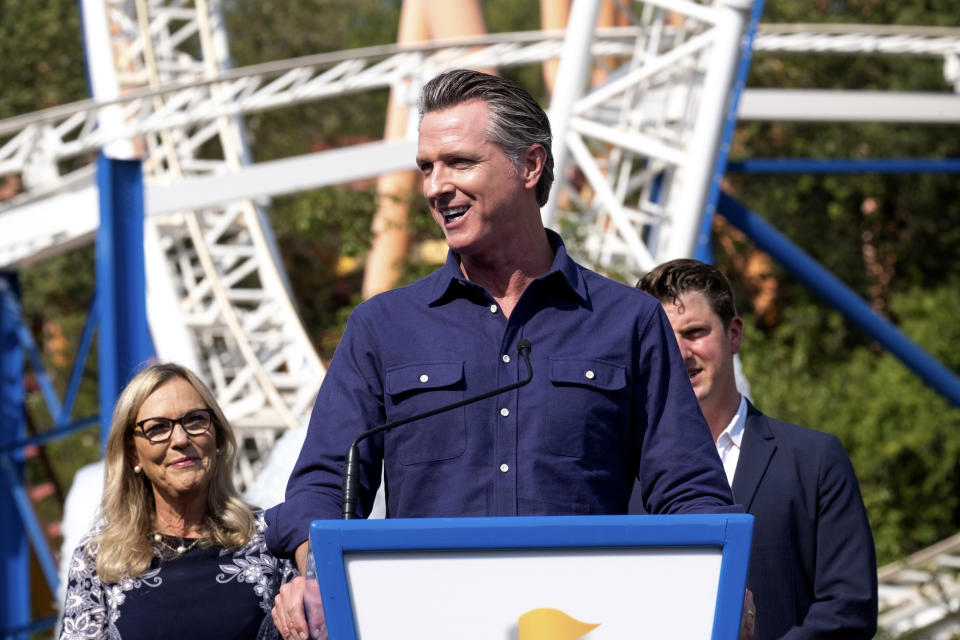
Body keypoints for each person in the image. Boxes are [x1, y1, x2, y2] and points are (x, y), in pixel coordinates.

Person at [267, 69, 737, 638]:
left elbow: (689, 488)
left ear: (530, 166)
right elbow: (322, 483)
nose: (435, 186)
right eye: (426, 167)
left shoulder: (628, 322)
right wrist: (315, 574)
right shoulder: (381, 328)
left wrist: (727, 585)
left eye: (459, 162)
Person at [637, 259, 878, 640]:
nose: (680, 353)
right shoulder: (621, 475)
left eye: (695, 332)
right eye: (666, 340)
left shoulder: (814, 462)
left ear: (734, 335)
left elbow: (849, 609)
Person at [59, 363, 295, 640]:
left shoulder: (272, 540)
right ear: (134, 455)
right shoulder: (99, 559)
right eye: (157, 428)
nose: (181, 439)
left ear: (217, 435)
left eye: (195, 420)